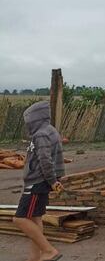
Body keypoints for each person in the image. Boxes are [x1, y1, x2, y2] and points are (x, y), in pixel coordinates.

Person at [13, 101, 65, 261]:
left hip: (36, 183)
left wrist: (51, 180)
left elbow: (45, 160)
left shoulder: (41, 134)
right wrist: (54, 180)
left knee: (19, 219)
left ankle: (49, 251)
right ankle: (34, 258)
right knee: (36, 219)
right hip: (42, 182)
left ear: (35, 119)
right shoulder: (50, 131)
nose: (27, 124)